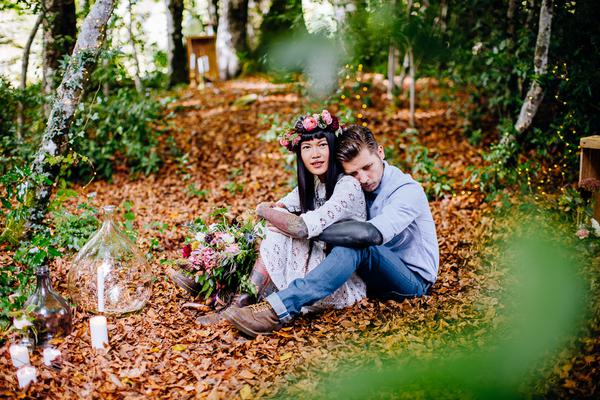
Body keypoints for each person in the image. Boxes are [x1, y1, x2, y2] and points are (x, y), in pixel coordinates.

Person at [224, 125, 439, 338]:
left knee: (357, 247)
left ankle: (276, 310)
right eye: (353, 173)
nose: (363, 179)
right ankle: (237, 292)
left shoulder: (406, 191)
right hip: (372, 276)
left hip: (411, 281)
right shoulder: (354, 185)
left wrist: (306, 230)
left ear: (380, 152)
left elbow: (370, 235)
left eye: (367, 167)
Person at [173, 110, 368, 322]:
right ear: (300, 155)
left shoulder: (347, 185)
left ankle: (239, 302)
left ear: (333, 147)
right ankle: (215, 279)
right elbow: (278, 207)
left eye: (322, 145)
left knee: (277, 230)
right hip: (311, 263)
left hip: (332, 280)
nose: (315, 154)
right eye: (307, 148)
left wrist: (263, 210)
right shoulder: (313, 185)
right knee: (267, 226)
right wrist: (270, 212)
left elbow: (301, 228)